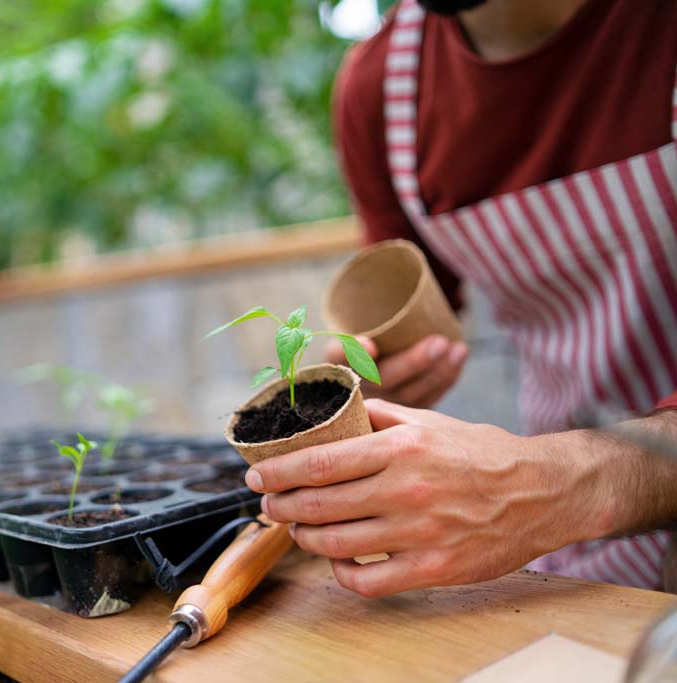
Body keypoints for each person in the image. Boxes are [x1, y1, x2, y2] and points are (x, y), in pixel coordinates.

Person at [243, 0, 677, 596]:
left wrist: (549, 486)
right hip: (561, 549)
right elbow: (415, 324)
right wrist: (376, 380)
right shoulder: (383, 90)